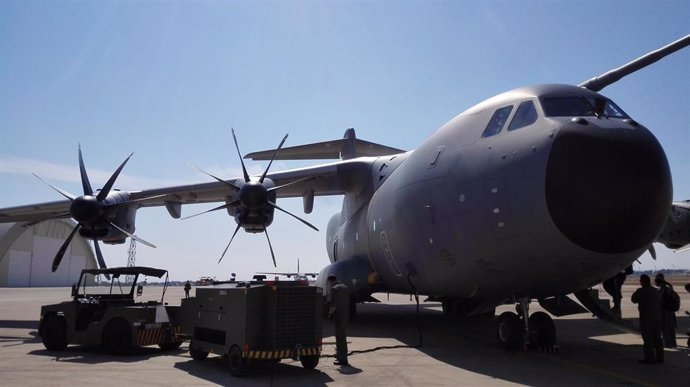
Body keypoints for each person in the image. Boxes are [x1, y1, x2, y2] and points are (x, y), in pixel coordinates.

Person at [631, 274, 664, 364]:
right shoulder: (656, 291)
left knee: (648, 338)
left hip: (646, 317)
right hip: (656, 317)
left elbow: (633, 300)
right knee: (657, 337)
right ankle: (660, 356)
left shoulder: (641, 291)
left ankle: (650, 357)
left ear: (642, 282)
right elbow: (660, 301)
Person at [327, 274, 350, 366]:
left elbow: (334, 305)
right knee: (342, 337)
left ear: (330, 281)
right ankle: (340, 355)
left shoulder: (334, 289)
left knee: (340, 338)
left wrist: (330, 313)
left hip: (338, 316)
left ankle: (342, 359)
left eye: (329, 283)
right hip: (345, 315)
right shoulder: (345, 287)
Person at [654, 273, 677, 348]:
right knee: (671, 328)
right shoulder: (669, 286)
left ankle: (668, 344)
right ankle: (673, 343)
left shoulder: (662, 288)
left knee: (665, 328)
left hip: (665, 311)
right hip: (671, 311)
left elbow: (660, 301)